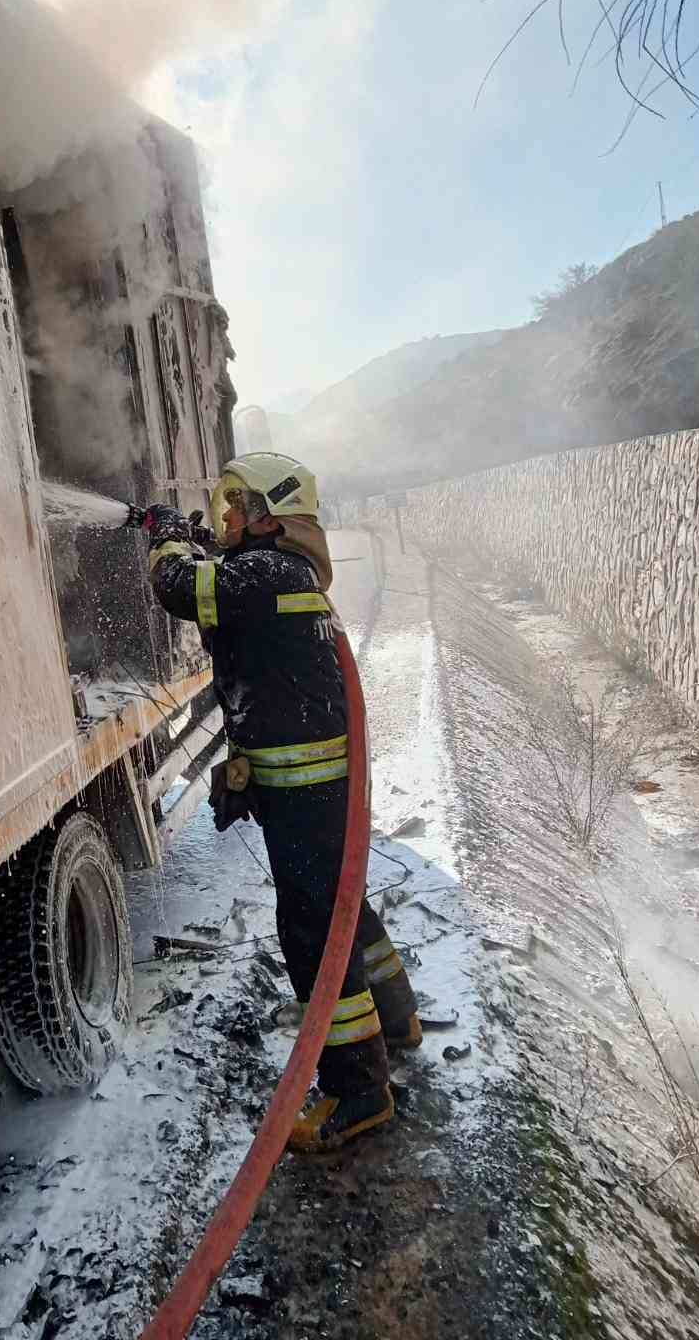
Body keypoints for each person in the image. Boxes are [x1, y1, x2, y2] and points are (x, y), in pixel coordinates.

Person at [144, 452, 420, 1151]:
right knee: (341, 903)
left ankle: (358, 1092)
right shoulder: (281, 575)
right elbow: (223, 580)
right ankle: (396, 1016)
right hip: (316, 787)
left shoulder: (265, 576)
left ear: (270, 513)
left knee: (311, 930)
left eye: (236, 504)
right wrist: (197, 535)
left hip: (305, 789)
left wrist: (168, 536)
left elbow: (181, 587)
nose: (227, 516)